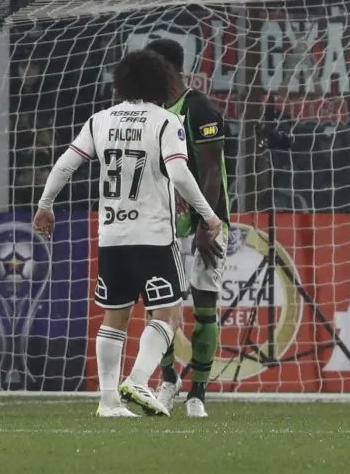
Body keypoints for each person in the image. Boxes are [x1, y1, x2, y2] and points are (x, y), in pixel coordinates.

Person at [32, 49, 224, 418]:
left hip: (112, 234)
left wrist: (45, 205)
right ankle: (137, 380)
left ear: (121, 84)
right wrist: (209, 216)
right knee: (169, 315)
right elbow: (181, 173)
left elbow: (66, 163)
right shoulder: (166, 121)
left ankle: (108, 402)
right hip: (152, 234)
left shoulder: (100, 120)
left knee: (114, 316)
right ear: (162, 81)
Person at [147, 38, 230, 419]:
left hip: (204, 224)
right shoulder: (153, 111)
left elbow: (212, 169)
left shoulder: (200, 110)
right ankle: (167, 379)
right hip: (165, 222)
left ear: (166, 67)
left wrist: (205, 224)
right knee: (159, 305)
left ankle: (197, 393)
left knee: (204, 307)